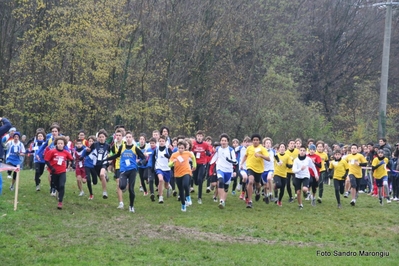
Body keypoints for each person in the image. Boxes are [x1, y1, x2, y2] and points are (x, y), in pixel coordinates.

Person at [106, 131, 146, 213]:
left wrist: (140, 162)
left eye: (130, 137)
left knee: (131, 189)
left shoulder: (135, 148)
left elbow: (144, 158)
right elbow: (117, 155)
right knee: (121, 186)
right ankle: (125, 183)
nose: (128, 138)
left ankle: (131, 206)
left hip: (132, 170)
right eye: (127, 137)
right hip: (123, 169)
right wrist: (107, 159)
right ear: (125, 138)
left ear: (132, 138)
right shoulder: (122, 147)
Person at [240, 133, 270, 208]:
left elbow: (268, 158)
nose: (255, 141)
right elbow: (246, 156)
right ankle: (250, 201)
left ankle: (258, 192)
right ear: (252, 141)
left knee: (258, 185)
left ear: (259, 141)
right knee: (250, 181)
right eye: (254, 140)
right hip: (250, 167)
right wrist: (241, 163)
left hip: (259, 169)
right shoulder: (249, 148)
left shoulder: (262, 149)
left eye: (257, 140)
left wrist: (260, 155)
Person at [44, 136, 73, 209]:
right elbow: (46, 160)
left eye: (61, 143)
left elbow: (71, 159)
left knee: (62, 185)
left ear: (64, 145)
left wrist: (70, 164)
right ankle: (58, 192)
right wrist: (51, 168)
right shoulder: (52, 151)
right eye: (58, 143)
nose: (60, 145)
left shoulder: (66, 152)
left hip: (62, 172)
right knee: (55, 185)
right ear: (56, 144)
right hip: (54, 172)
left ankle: (60, 202)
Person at [209, 133, 237, 209]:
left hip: (228, 170)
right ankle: (221, 200)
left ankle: (223, 201)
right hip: (220, 168)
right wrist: (210, 163)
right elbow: (214, 157)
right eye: (222, 140)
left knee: (226, 187)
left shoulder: (231, 150)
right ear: (220, 141)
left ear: (228, 142)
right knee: (220, 181)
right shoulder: (218, 149)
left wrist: (230, 161)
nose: (223, 142)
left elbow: (235, 161)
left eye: (225, 141)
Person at [169, 141, 197, 211]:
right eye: (179, 148)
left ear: (185, 148)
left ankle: (188, 196)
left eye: (182, 148)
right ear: (177, 148)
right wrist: (173, 162)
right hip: (177, 174)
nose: (180, 149)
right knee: (181, 190)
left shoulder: (187, 153)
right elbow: (169, 164)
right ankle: (183, 204)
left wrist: (194, 165)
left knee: (185, 185)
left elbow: (193, 157)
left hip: (186, 171)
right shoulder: (174, 155)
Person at [86, 129, 111, 199]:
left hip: (104, 163)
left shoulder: (108, 146)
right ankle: (105, 177)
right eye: (100, 137)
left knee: (101, 174)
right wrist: (88, 150)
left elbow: (111, 154)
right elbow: (89, 152)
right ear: (98, 138)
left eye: (103, 137)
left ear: (105, 137)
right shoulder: (95, 144)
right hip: (96, 164)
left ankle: (104, 192)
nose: (101, 138)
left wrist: (109, 161)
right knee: (101, 178)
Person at [292, 145, 318, 210]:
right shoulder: (296, 160)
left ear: (305, 152)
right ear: (299, 151)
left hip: (305, 176)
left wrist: (316, 174)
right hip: (297, 177)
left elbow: (313, 167)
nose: (302, 152)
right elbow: (294, 171)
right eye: (301, 150)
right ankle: (300, 205)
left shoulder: (308, 159)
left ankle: (305, 193)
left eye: (304, 151)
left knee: (304, 189)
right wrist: (300, 169)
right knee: (298, 192)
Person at [191, 130, 212, 204]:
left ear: (203, 137)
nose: (199, 137)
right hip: (195, 163)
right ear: (196, 136)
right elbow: (190, 151)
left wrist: (208, 153)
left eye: (201, 136)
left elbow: (208, 151)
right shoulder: (193, 143)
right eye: (198, 136)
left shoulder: (205, 144)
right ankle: (194, 183)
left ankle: (199, 197)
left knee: (200, 180)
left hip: (202, 163)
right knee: (195, 180)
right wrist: (193, 153)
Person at [152, 135, 173, 204]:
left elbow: (172, 159)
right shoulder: (156, 150)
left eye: (163, 141)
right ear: (158, 142)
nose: (161, 142)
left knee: (166, 185)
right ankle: (161, 197)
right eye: (160, 141)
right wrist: (153, 167)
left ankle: (169, 187)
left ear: (165, 142)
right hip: (159, 168)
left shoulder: (168, 149)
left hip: (167, 169)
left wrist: (168, 157)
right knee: (160, 180)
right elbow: (153, 159)